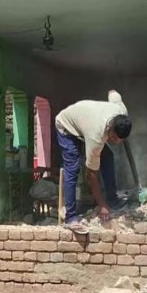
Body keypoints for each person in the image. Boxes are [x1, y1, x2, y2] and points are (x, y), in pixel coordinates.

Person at [55, 90, 132, 232]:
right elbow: (92, 173)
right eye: (113, 138)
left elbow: (114, 95)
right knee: (73, 168)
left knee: (108, 156)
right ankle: (70, 217)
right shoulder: (96, 137)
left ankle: (112, 199)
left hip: (84, 120)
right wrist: (101, 204)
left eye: (119, 140)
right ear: (110, 128)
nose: (115, 142)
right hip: (67, 127)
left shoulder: (121, 111)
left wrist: (112, 91)